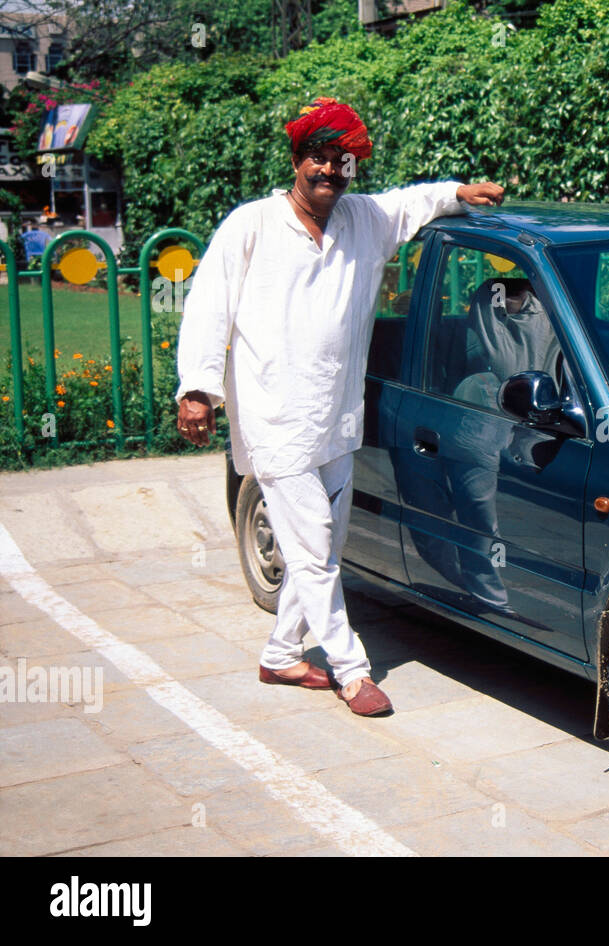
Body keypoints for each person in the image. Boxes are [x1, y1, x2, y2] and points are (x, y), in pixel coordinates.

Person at [174, 96, 505, 716]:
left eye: (342, 161)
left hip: (336, 415)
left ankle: (281, 655)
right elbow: (206, 306)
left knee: (320, 545)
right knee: (313, 542)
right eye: (318, 159)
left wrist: (459, 190)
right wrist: (198, 388)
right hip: (275, 417)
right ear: (297, 161)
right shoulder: (251, 226)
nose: (329, 171)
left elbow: (413, 202)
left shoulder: (362, 220)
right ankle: (352, 670)